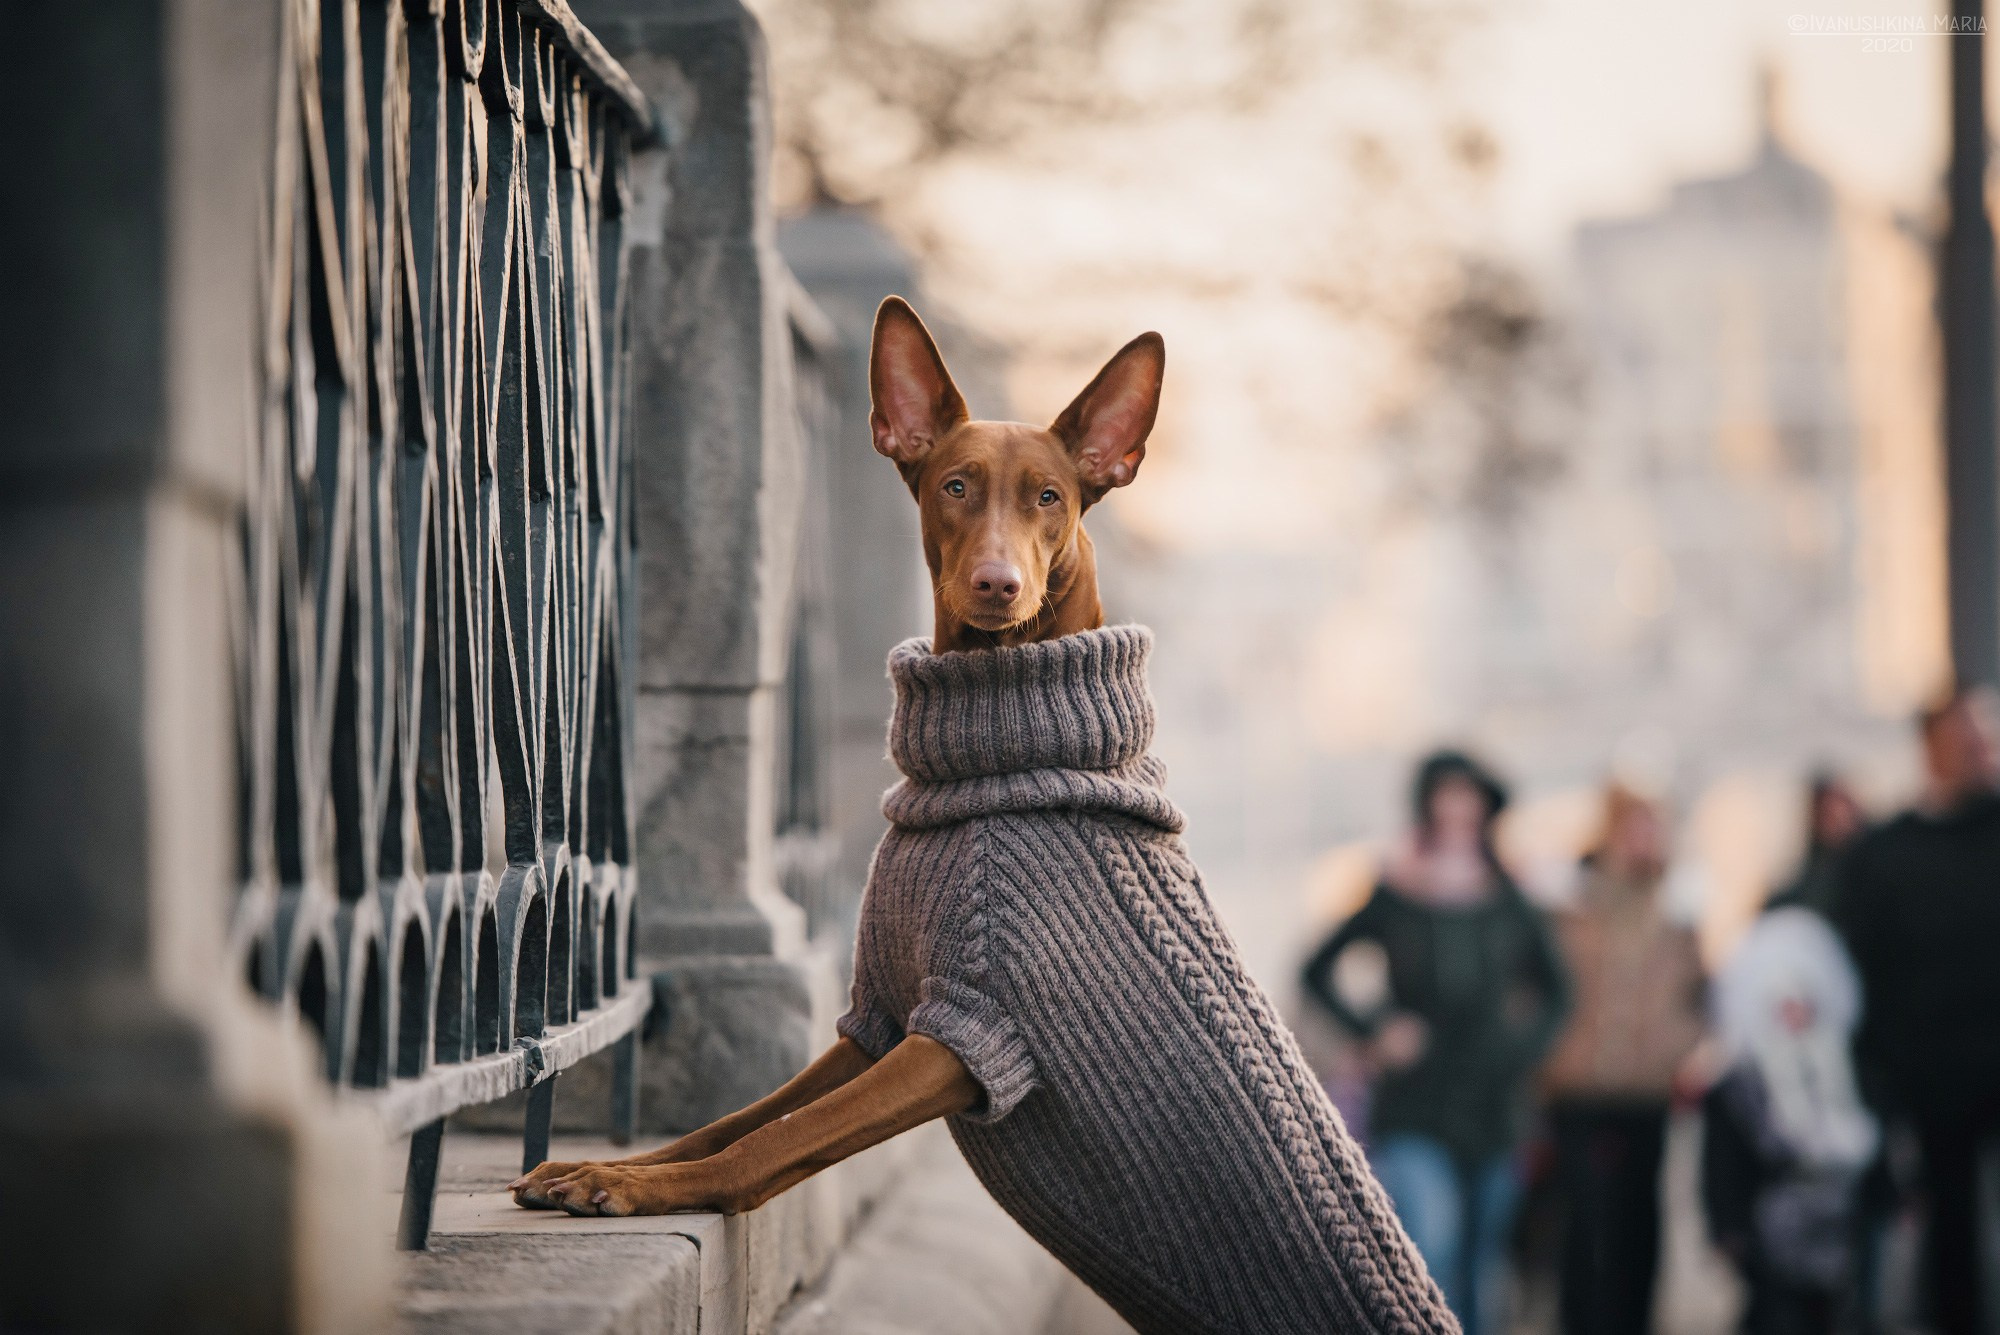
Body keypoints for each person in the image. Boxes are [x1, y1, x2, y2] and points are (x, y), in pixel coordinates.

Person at [1303, 750, 1573, 1335]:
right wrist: (1376, 1029)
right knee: (1431, 1253)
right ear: (1426, 802)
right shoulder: (1397, 889)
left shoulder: (1509, 895)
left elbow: (1557, 991)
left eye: (1467, 795)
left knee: (1482, 1268)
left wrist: (1521, 1053)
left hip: (1495, 1108)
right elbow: (1317, 969)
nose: (1456, 808)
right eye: (1445, 794)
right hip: (1417, 1105)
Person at [1833, 687, 2000, 1335]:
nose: (1978, 751)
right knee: (1949, 1241)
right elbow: (1862, 970)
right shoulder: (1885, 856)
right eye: (1964, 737)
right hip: (1934, 1082)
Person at [1539, 784, 1707, 1335]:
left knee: (1641, 1228)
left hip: (1647, 1092)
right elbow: (1544, 993)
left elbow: (1700, 997)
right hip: (1580, 1090)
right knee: (1584, 1229)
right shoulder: (1571, 905)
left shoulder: (1677, 912)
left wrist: (1682, 1051)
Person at [1702, 891, 1877, 1335]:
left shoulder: (1843, 1070)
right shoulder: (1741, 1086)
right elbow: (1722, 1164)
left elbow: (1872, 1146)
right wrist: (1727, 1228)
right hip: (1771, 1233)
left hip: (1842, 1234)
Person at [1767, 774, 1866, 920]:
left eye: (1841, 812)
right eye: (1828, 814)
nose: (1838, 822)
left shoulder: (1873, 868)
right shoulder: (1814, 876)